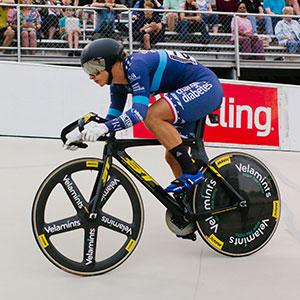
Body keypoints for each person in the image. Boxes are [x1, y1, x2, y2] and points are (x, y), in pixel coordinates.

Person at [63, 38, 223, 193]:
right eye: (87, 71)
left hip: (205, 85)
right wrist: (82, 134)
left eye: (94, 69)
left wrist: (102, 128)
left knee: (152, 115)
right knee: (173, 156)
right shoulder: (117, 84)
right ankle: (196, 202)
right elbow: (111, 121)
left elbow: (139, 113)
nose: (91, 76)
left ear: (112, 63)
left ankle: (192, 172)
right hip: (189, 89)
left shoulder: (136, 66)